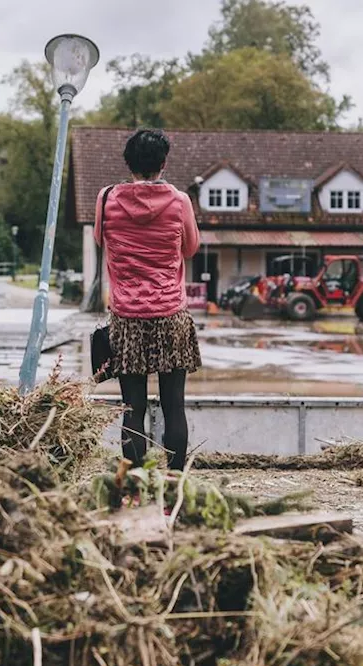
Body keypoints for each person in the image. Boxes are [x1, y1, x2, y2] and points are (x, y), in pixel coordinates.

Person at [95, 129, 201, 471]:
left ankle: (138, 484)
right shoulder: (180, 201)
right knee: (174, 407)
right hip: (171, 313)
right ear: (164, 163)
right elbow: (190, 248)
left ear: (128, 163)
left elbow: (101, 239)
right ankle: (173, 484)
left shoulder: (106, 198)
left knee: (132, 408)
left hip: (126, 317)